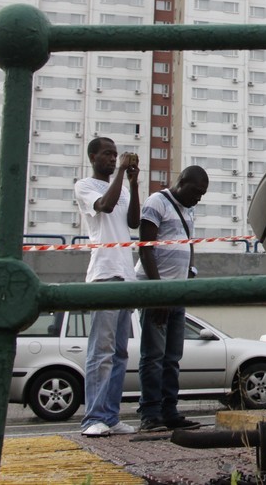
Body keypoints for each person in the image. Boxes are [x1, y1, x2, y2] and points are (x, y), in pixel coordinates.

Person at [73, 137, 141, 437]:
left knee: (120, 352)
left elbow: (134, 221)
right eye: (107, 154)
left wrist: (134, 183)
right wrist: (119, 177)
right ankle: (93, 418)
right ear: (93, 157)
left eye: (115, 155)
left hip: (126, 274)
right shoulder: (85, 186)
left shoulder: (123, 186)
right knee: (100, 350)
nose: (113, 159)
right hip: (104, 273)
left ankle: (111, 416)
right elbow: (105, 205)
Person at [135, 165, 209, 432]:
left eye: (203, 194)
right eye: (197, 191)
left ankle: (169, 411)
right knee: (153, 355)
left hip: (177, 291)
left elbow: (187, 244)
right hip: (157, 291)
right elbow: (145, 250)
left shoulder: (190, 209)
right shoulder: (157, 202)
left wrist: (190, 273)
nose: (199, 197)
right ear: (182, 182)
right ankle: (150, 414)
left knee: (172, 357)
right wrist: (158, 294)